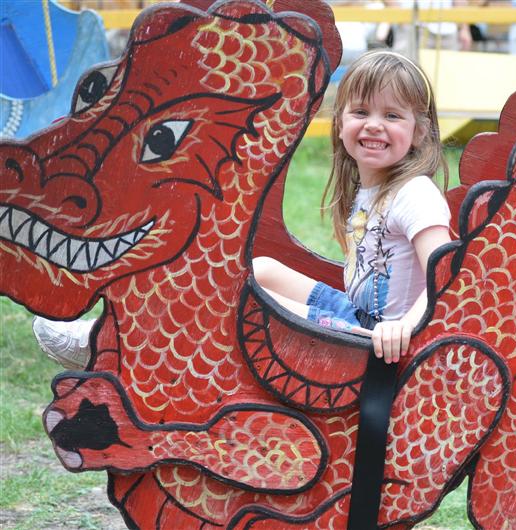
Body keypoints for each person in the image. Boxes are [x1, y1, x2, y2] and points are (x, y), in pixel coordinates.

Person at [33, 50, 451, 367]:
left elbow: (446, 271)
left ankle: (113, 347)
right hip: (359, 315)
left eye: (392, 115)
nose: (374, 124)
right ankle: (121, 333)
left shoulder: (414, 192)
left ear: (419, 132)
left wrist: (406, 326)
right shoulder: (368, 188)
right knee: (260, 270)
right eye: (361, 112)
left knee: (251, 304)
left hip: (381, 338)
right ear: (340, 123)